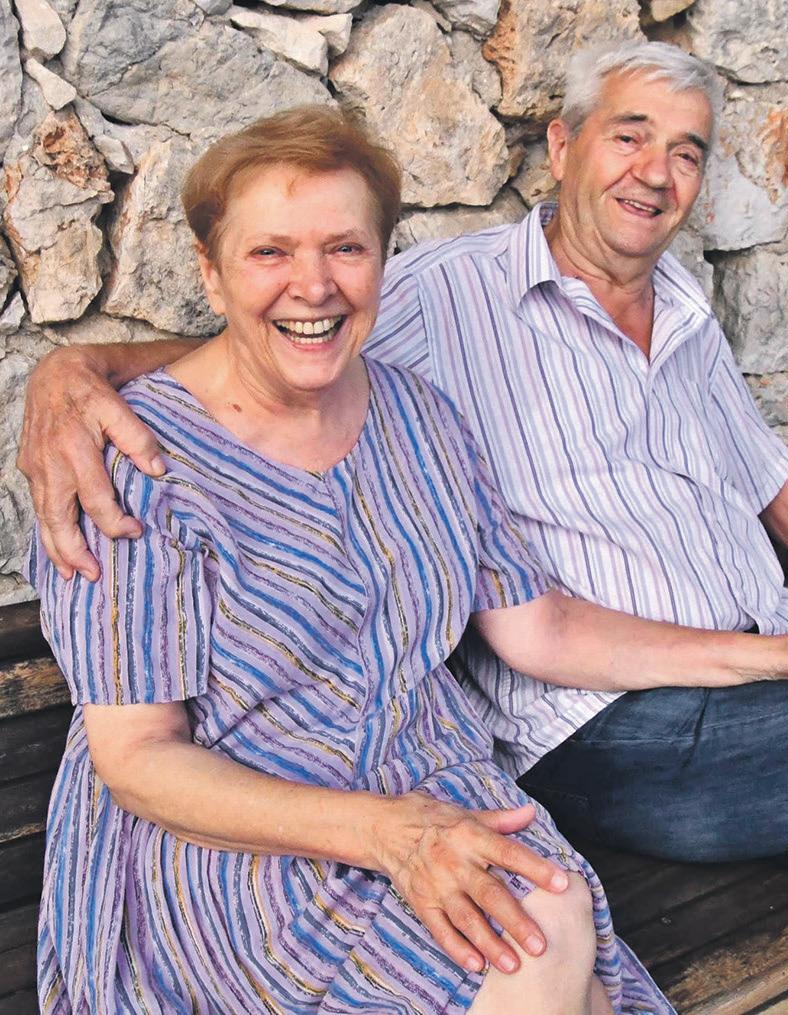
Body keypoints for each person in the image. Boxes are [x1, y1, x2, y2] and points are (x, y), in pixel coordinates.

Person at [18, 42, 788, 1014]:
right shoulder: (440, 301)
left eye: (686, 151)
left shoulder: (556, 360)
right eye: (629, 136)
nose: (655, 171)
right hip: (559, 748)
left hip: (733, 694)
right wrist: (76, 369)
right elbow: (280, 337)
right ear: (562, 146)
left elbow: (739, 485)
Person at [24, 105, 690, 1015]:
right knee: (538, 944)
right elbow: (139, 756)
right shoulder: (134, 461)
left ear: (382, 261)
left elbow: (541, 626)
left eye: (346, 248)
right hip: (238, 838)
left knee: (547, 924)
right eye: (270, 252)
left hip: (430, 784)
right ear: (211, 274)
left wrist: (785, 653)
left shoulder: (421, 418)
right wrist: (389, 835)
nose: (314, 284)